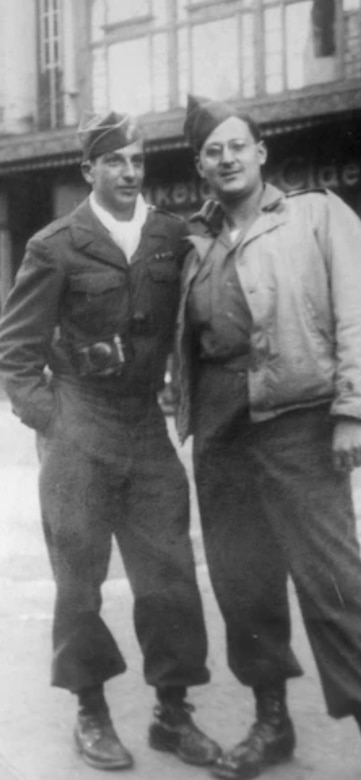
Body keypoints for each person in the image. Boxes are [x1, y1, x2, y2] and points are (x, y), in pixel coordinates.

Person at [175, 95, 361, 780]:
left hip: (303, 424)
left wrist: (355, 410)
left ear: (261, 152)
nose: (226, 159)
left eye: (236, 145)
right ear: (200, 166)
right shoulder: (194, 243)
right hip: (222, 434)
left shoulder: (317, 215)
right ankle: (271, 726)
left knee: (334, 587)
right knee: (244, 587)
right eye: (212, 151)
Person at [0, 111, 220, 772]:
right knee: (78, 582)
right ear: (88, 170)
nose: (129, 172)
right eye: (115, 161)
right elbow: (15, 353)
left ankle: (173, 715)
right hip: (81, 425)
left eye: (137, 160)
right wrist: (54, 420)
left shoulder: (170, 235)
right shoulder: (55, 244)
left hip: (144, 428)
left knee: (171, 577)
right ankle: (90, 714)